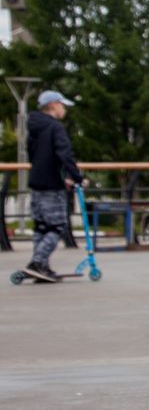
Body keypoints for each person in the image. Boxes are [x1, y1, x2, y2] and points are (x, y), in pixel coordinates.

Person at [19, 90, 82, 284]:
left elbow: (32, 154)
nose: (64, 110)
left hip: (36, 181)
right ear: (53, 105)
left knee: (41, 227)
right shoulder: (55, 127)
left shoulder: (34, 126)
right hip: (52, 184)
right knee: (57, 226)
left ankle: (42, 267)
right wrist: (76, 177)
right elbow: (65, 155)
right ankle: (37, 263)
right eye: (62, 105)